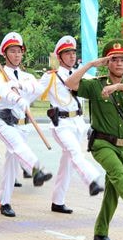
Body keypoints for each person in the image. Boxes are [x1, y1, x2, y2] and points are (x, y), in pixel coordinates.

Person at [65, 38, 123, 240]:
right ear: (108, 62)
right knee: (117, 175)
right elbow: (70, 83)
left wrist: (119, 86)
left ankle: (100, 232)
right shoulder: (96, 85)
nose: (119, 63)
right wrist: (90, 65)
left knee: (114, 190)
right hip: (102, 144)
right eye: (114, 60)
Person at [39, 36, 103, 214]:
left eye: (73, 53)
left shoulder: (81, 76)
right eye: (67, 53)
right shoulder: (50, 77)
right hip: (62, 124)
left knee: (66, 163)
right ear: (59, 57)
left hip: (77, 123)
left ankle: (57, 201)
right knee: (75, 153)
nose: (72, 56)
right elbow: (34, 91)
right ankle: (92, 180)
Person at [0, 32, 52, 218]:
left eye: (19, 51)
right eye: (12, 51)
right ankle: (35, 169)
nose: (16, 55)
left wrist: (21, 86)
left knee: (11, 163)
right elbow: (1, 90)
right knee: (18, 146)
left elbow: (38, 89)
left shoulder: (27, 77)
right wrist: (15, 95)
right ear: (5, 53)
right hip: (4, 121)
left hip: (23, 124)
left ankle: (5, 202)